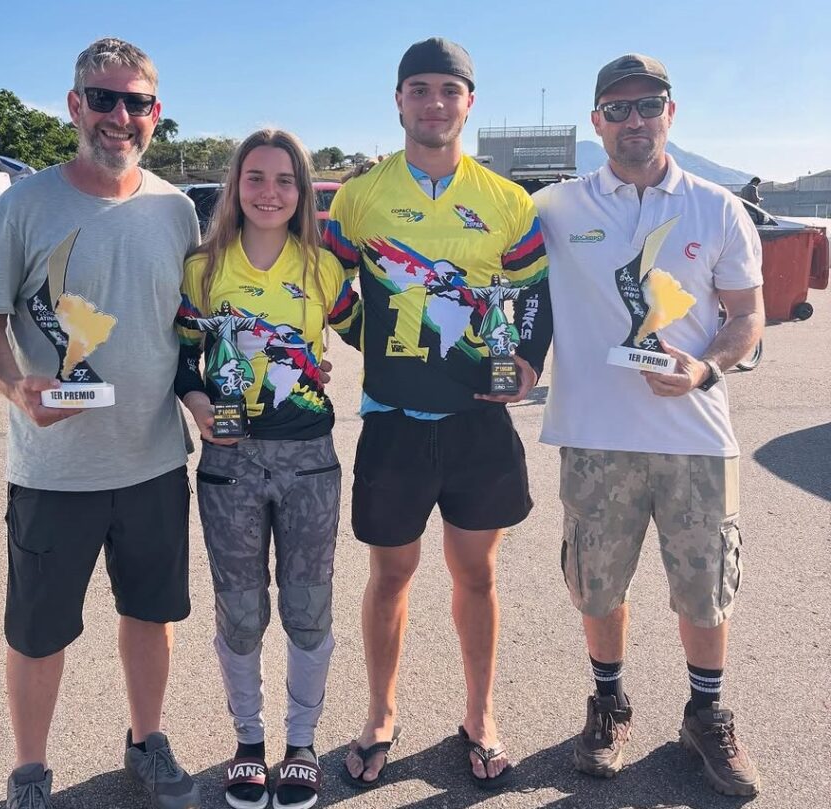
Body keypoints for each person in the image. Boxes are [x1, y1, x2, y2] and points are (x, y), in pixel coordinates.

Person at [0, 38, 202, 809]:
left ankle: (147, 741)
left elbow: (192, 328)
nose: (119, 116)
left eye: (136, 102)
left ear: (155, 114)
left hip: (155, 460)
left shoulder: (176, 210)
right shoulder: (23, 206)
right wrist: (12, 384)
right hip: (53, 469)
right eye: (104, 98)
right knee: (38, 632)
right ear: (75, 105)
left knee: (151, 614)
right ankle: (30, 771)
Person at [322, 38, 552, 791]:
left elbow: (530, 292)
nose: (433, 103)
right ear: (397, 100)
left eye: (447, 90)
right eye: (417, 89)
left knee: (476, 574)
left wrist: (525, 359)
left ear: (468, 103)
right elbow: (324, 282)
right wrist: (377, 341)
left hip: (477, 420)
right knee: (390, 573)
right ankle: (381, 712)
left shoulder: (506, 198)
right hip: (392, 415)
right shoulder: (358, 197)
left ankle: (480, 713)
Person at [533, 53, 764, 797]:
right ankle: (609, 700)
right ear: (597, 121)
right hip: (595, 435)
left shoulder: (716, 206)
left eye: (649, 104)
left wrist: (703, 368)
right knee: (596, 586)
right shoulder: (557, 207)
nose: (635, 120)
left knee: (705, 589)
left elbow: (748, 317)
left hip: (695, 434)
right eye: (618, 108)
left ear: (673, 111)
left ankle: (707, 713)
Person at [175, 129, 359, 809]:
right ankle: (249, 743)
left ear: (303, 191)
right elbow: (181, 357)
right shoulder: (202, 270)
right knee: (241, 608)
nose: (270, 192)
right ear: (235, 186)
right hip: (230, 461)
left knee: (308, 605)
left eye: (285, 180)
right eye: (255, 177)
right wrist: (197, 402)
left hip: (310, 458)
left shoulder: (323, 269)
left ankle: (302, 741)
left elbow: (376, 333)